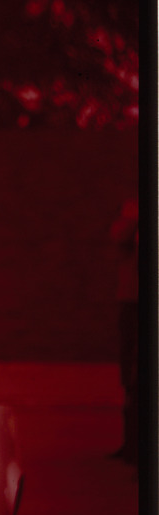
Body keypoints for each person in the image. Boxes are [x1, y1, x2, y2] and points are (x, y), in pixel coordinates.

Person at [110, 197, 139, 465]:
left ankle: (134, 446)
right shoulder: (132, 217)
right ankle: (130, 444)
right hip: (130, 301)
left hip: (137, 302)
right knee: (130, 375)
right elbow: (120, 238)